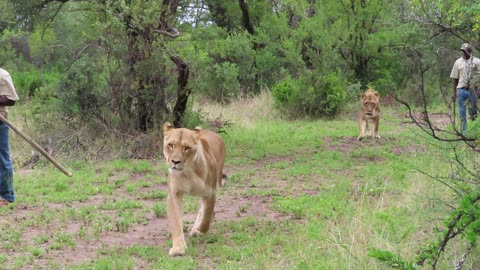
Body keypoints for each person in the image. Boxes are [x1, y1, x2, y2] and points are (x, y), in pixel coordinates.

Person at [450, 43, 480, 135]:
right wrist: (454, 93)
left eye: (465, 51)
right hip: (461, 90)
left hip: (472, 90)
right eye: (462, 51)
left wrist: (479, 89)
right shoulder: (458, 62)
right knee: (462, 112)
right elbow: (455, 78)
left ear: (470, 51)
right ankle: (464, 132)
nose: (464, 53)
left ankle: (474, 131)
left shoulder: (477, 62)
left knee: (473, 112)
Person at [0, 68, 19, 206]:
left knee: (2, 160)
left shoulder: (2, 75)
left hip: (0, 122)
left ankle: (6, 196)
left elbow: (11, 100)